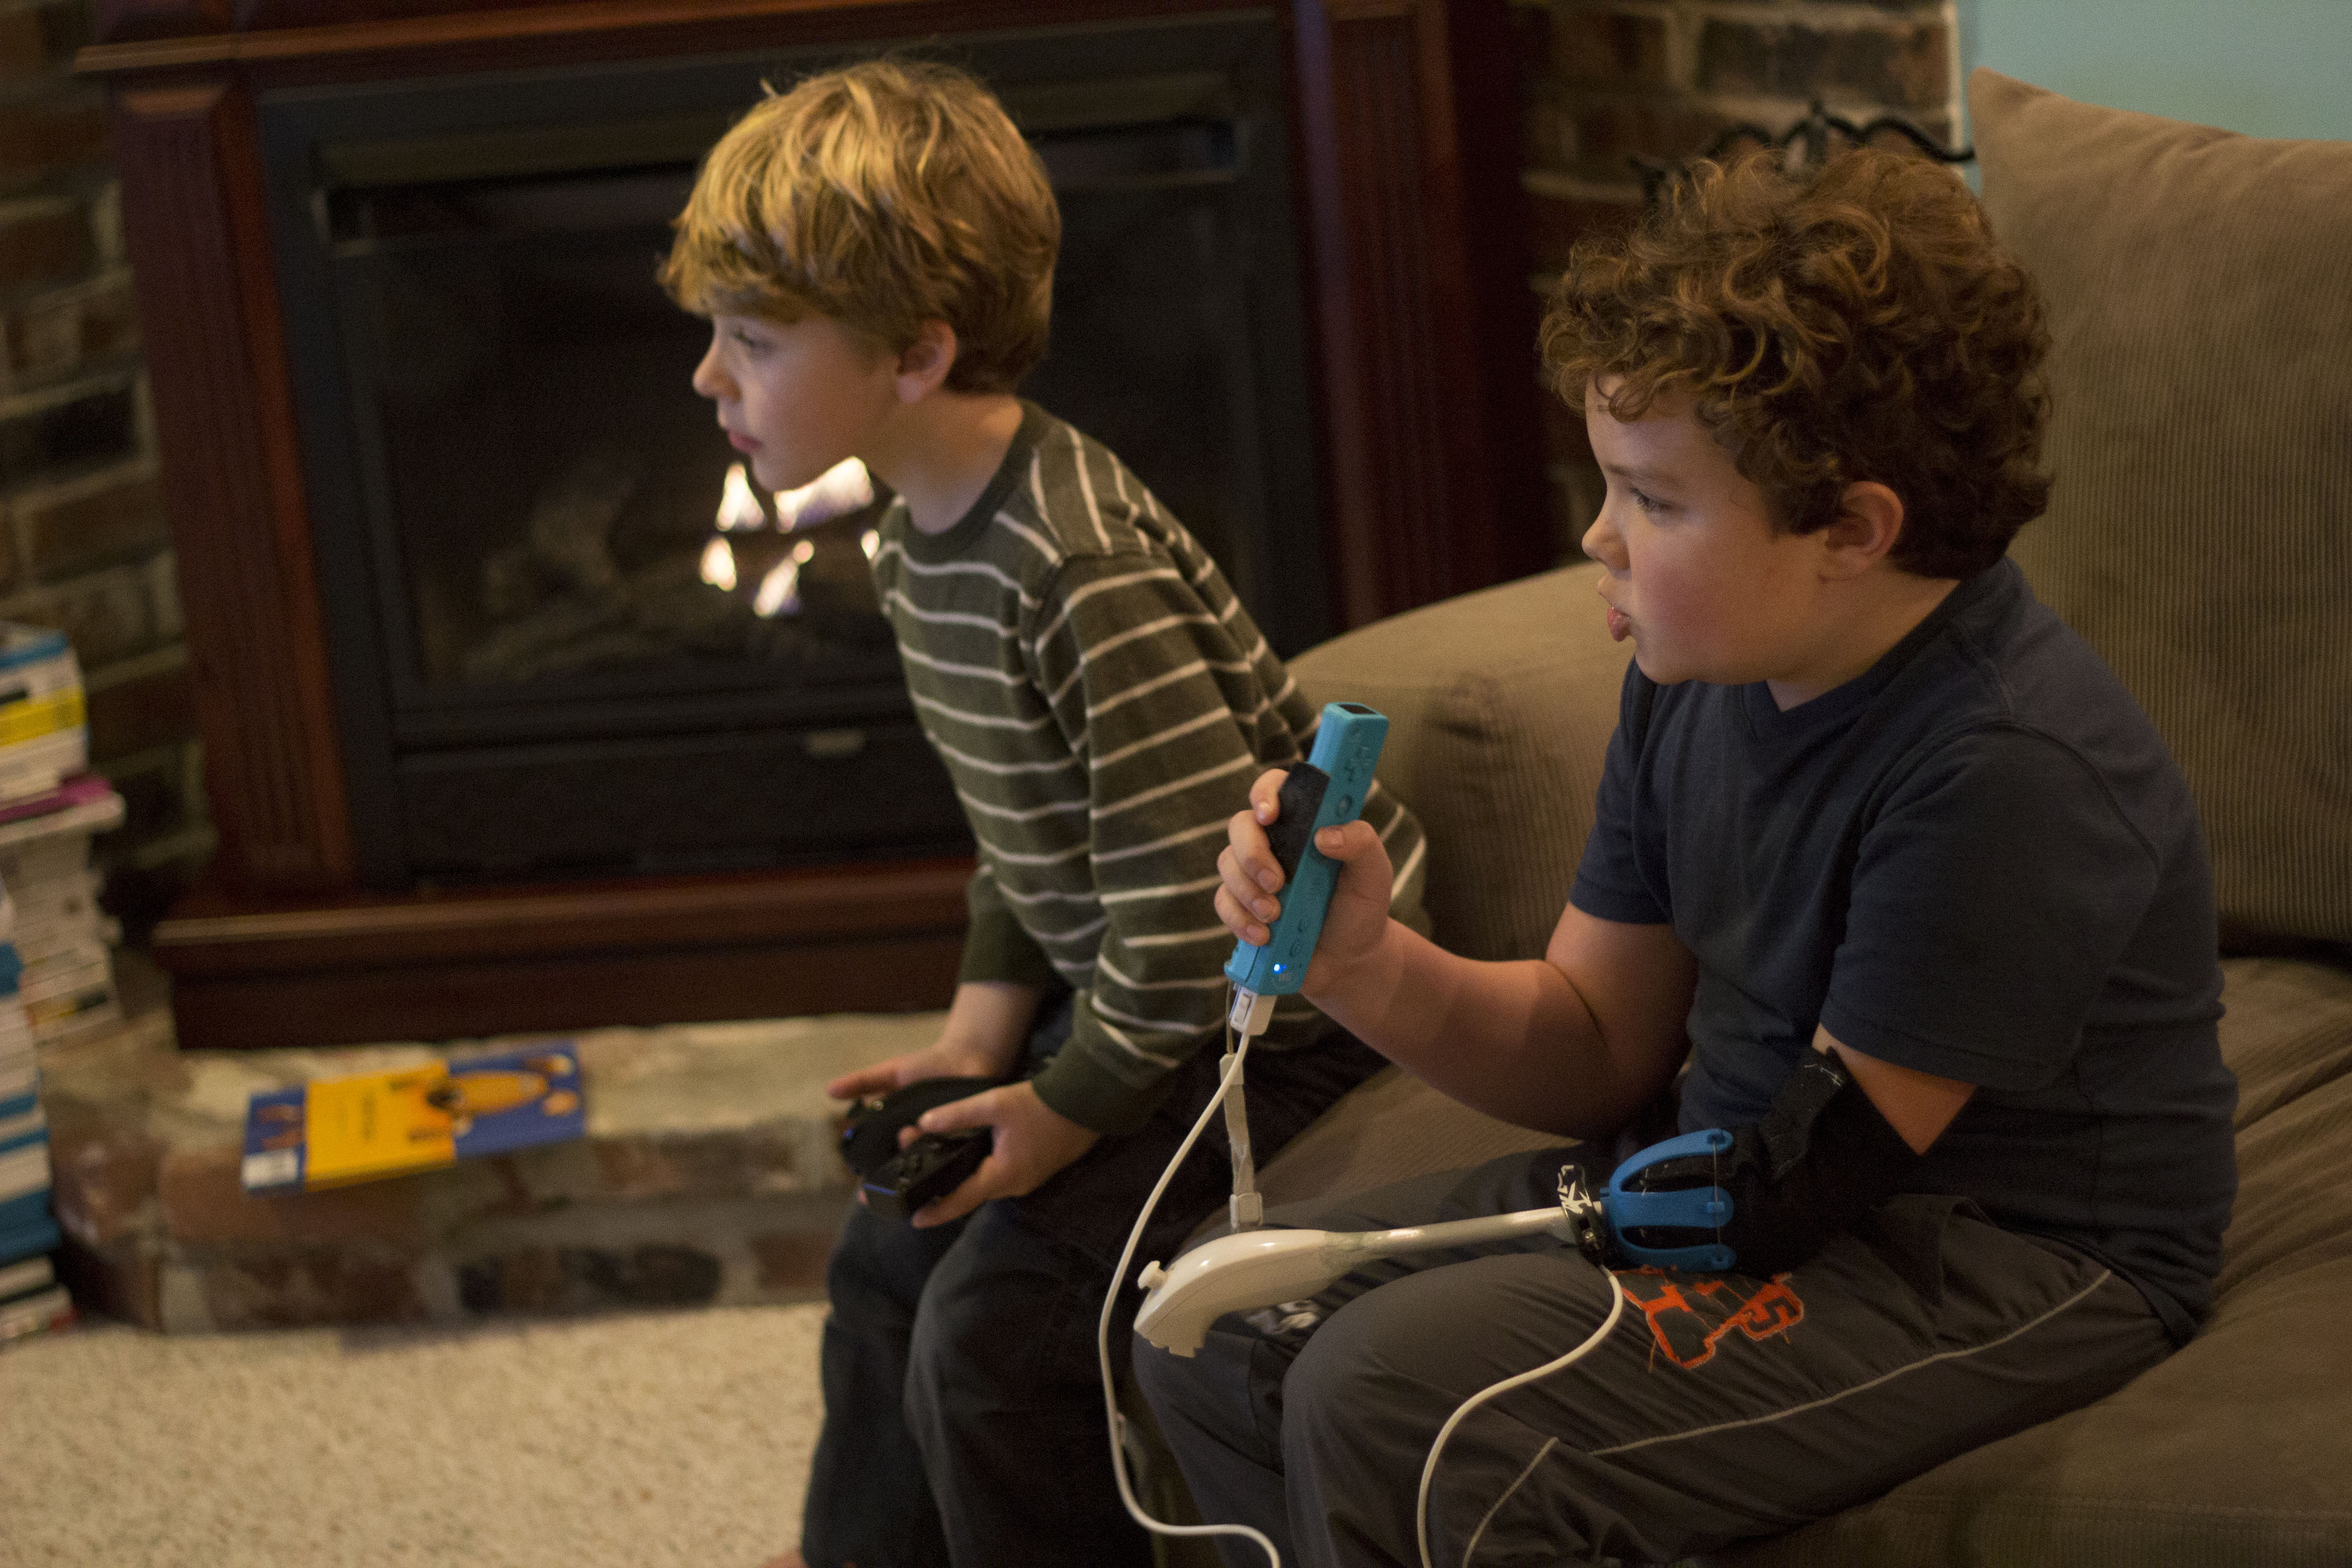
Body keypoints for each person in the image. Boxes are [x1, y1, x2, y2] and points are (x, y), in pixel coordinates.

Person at [1133, 145, 2238, 1568]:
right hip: (1728, 1176)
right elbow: (1596, 1042)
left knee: (1402, 1399)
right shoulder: (1692, 680)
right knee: (1216, 1330)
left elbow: (1803, 1183)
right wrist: (1365, 963)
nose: (1596, 535)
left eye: (1653, 499)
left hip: (1987, 1250)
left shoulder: (2005, 773)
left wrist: (1542, 1243)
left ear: (1852, 528)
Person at [657, 58, 1428, 1568]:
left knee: (997, 1340)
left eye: (750, 341)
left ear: (918, 353)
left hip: (1272, 1019)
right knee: (888, 1255)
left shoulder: (1069, 566)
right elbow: (1029, 831)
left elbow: (1177, 923)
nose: (709, 377)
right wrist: (975, 1030)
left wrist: (1062, 1109)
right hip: (1135, 998)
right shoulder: (913, 536)